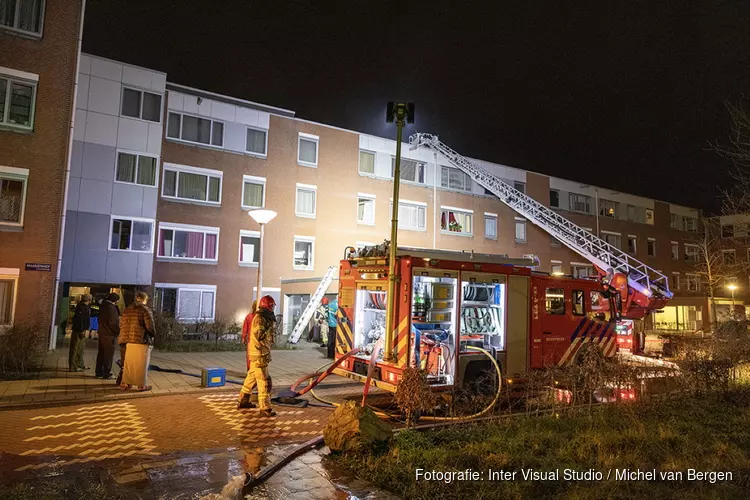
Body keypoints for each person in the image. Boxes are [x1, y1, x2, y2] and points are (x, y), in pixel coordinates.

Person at [238, 295, 276, 416]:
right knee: (263, 380)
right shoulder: (261, 319)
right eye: (272, 306)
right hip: (260, 354)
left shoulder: (262, 317)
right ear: (267, 306)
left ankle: (243, 400)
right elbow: (260, 335)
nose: (273, 308)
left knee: (251, 377)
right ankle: (265, 408)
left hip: (257, 352)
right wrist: (270, 332)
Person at [118, 292, 155, 391]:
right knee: (141, 364)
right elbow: (150, 326)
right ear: (145, 299)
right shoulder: (145, 309)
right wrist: (153, 335)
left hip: (128, 340)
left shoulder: (127, 309)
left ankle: (126, 383)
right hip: (141, 340)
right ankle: (141, 385)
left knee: (129, 363)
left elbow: (121, 324)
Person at [95, 293, 120, 379]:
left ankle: (99, 372)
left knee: (101, 353)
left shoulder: (103, 307)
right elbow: (113, 323)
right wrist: (118, 331)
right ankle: (106, 372)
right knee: (108, 354)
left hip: (102, 333)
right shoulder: (111, 309)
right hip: (109, 334)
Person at [68, 294, 91, 372]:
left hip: (81, 330)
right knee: (75, 348)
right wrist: (82, 330)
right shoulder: (82, 307)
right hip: (79, 330)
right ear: (89, 299)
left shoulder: (83, 306)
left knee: (80, 348)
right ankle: (73, 366)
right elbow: (80, 320)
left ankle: (79, 364)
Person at [242, 300, 258, 371]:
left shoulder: (249, 317)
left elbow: (245, 328)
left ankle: (250, 370)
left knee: (250, 356)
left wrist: (244, 337)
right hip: (256, 341)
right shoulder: (260, 317)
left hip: (251, 341)